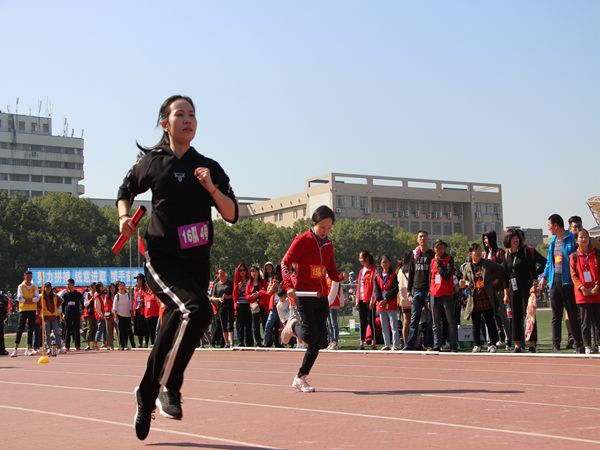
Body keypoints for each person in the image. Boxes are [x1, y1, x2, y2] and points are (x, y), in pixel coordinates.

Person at [116, 94, 238, 440]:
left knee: (171, 330)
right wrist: (124, 217)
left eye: (192, 115)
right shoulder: (153, 163)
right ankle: (170, 384)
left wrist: (211, 189)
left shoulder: (208, 166)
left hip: (197, 261)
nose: (188, 120)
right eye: (180, 114)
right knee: (198, 310)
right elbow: (124, 191)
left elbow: (231, 214)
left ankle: (146, 393)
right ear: (165, 123)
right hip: (163, 259)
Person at [280, 205, 347, 392]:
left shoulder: (328, 245)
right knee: (310, 336)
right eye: (322, 227)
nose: (325, 231)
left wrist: (339, 276)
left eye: (329, 228)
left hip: (321, 296)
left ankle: (300, 377)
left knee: (320, 341)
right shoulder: (302, 240)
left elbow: (331, 270)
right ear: (314, 223)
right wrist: (289, 286)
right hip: (304, 295)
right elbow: (284, 263)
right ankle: (293, 325)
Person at [539, 214, 584, 353]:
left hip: (568, 281)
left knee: (573, 314)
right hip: (555, 281)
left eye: (549, 225)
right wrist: (544, 277)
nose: (548, 228)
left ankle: (579, 344)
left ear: (556, 226)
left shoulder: (572, 238)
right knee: (556, 315)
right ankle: (556, 344)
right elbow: (549, 261)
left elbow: (578, 258)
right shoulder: (553, 240)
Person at [502, 228, 546, 352]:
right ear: (508, 240)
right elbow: (505, 275)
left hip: (527, 287)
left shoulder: (526, 252)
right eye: (513, 238)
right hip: (513, 288)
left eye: (517, 237)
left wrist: (535, 278)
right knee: (515, 317)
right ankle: (517, 345)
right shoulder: (506, 255)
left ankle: (532, 344)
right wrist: (506, 293)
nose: (515, 240)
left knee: (529, 314)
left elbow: (543, 263)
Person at [460, 243, 503, 352]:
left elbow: (501, 269)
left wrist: (495, 282)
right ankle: (477, 345)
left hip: (487, 298)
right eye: (476, 251)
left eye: (480, 250)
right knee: (476, 323)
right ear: (470, 253)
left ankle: (492, 344)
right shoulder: (467, 267)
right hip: (474, 299)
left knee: (490, 321)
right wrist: (463, 284)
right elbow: (464, 281)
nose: (479, 253)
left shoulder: (487, 263)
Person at [403, 230, 435, 351]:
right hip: (416, 291)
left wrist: (431, 291)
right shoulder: (414, 255)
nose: (422, 238)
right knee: (414, 320)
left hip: (428, 291)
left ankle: (428, 344)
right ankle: (410, 344)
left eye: (424, 236)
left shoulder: (432, 254)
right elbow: (411, 273)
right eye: (420, 237)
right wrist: (409, 290)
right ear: (417, 239)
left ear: (427, 238)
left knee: (430, 319)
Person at [569, 229, 600, 354]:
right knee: (585, 321)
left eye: (586, 237)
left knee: (598, 321)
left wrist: (597, 286)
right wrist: (582, 288)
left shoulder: (596, 254)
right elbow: (573, 275)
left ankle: (598, 344)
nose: (584, 239)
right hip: (582, 294)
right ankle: (587, 345)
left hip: (596, 292)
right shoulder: (574, 257)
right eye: (581, 237)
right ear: (576, 240)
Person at [482, 230, 511, 350]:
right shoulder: (484, 254)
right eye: (484, 238)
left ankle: (509, 340)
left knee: (503, 315)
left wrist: (504, 290)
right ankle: (494, 340)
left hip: (499, 289)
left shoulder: (500, 253)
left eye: (487, 238)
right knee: (489, 316)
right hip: (487, 291)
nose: (485, 241)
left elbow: (503, 272)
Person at [429, 240, 457, 352]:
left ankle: (453, 345)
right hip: (434, 294)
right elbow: (430, 278)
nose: (440, 250)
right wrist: (429, 294)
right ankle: (437, 344)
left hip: (446, 294)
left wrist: (439, 263)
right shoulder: (432, 261)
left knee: (450, 321)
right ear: (434, 250)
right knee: (435, 322)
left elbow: (446, 275)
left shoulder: (449, 259)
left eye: (441, 247)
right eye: (437, 248)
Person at [11, 270, 40, 357]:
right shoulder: (21, 286)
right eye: (27, 276)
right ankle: (15, 349)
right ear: (24, 277)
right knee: (20, 328)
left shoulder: (34, 286)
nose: (29, 278)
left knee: (30, 328)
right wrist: (30, 300)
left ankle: (29, 349)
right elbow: (20, 298)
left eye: (30, 276)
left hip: (32, 309)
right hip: (23, 310)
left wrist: (28, 300)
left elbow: (37, 298)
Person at [374, 255, 400, 351]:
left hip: (390, 303)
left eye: (386, 262)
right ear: (380, 264)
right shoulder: (377, 277)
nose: (385, 264)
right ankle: (387, 344)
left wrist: (386, 299)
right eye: (383, 262)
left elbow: (395, 289)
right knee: (384, 326)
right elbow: (377, 290)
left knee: (393, 325)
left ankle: (395, 344)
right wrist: (380, 300)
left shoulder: (393, 275)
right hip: (381, 304)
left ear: (389, 263)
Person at [355, 250, 377, 350]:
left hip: (369, 299)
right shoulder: (361, 271)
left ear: (366, 258)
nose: (360, 260)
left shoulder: (373, 270)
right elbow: (359, 285)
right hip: (361, 298)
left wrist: (372, 299)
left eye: (361, 258)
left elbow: (374, 287)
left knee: (371, 321)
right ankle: (362, 342)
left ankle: (373, 342)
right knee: (362, 321)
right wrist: (357, 300)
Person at [210, 269, 234, 348]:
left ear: (225, 274)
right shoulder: (216, 285)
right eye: (220, 273)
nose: (222, 275)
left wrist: (228, 296)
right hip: (221, 307)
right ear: (218, 275)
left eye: (223, 273)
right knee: (223, 325)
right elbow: (212, 297)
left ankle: (231, 343)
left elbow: (235, 295)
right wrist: (219, 299)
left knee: (230, 324)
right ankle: (226, 343)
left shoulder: (230, 283)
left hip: (230, 306)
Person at [246, 265, 269, 347]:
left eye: (255, 271)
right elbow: (247, 296)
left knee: (265, 323)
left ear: (258, 272)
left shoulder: (263, 281)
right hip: (254, 305)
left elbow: (268, 292)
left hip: (263, 304)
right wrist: (252, 296)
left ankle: (266, 342)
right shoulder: (249, 283)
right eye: (252, 271)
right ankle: (258, 342)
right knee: (255, 324)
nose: (254, 273)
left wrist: (260, 293)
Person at [41, 282, 64, 354]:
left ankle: (59, 347)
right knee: (47, 333)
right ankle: (48, 348)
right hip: (46, 316)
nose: (48, 289)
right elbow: (38, 304)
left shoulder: (54, 296)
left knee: (57, 331)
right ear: (44, 288)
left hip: (54, 316)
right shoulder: (41, 296)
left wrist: (56, 307)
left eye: (49, 287)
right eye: (47, 287)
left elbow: (61, 300)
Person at [233, 263, 252, 346]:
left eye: (244, 270)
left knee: (248, 324)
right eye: (240, 270)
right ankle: (241, 342)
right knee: (240, 325)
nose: (242, 271)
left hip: (249, 305)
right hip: (240, 305)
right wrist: (238, 288)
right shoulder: (237, 281)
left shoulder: (249, 280)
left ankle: (249, 343)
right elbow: (234, 296)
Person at [61, 278, 83, 351]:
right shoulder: (65, 295)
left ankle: (77, 345)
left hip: (76, 314)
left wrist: (81, 311)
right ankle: (67, 346)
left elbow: (82, 303)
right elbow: (63, 305)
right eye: (67, 284)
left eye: (68, 284)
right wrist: (63, 313)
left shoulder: (78, 294)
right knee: (67, 330)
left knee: (76, 330)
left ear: (72, 284)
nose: (67, 285)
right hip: (68, 314)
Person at [396, 252, 412, 347]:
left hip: (403, 299)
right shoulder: (411, 270)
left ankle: (406, 343)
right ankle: (415, 342)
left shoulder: (399, 271)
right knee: (414, 322)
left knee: (405, 322)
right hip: (411, 297)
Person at [113, 281, 135, 350]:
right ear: (118, 287)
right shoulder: (117, 296)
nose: (122, 287)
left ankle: (125, 345)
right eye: (120, 286)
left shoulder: (128, 295)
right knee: (121, 331)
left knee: (126, 331)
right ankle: (122, 345)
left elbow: (130, 307)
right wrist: (116, 317)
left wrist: (132, 317)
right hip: (120, 315)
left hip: (127, 316)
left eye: (123, 286)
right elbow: (114, 308)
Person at [133, 274, 149, 348]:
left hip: (144, 310)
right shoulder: (136, 289)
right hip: (137, 310)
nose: (137, 281)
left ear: (142, 280)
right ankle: (140, 343)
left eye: (138, 279)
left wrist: (143, 300)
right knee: (139, 327)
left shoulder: (146, 288)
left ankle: (146, 342)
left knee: (146, 327)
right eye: (136, 279)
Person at [83, 282, 98, 351]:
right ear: (91, 288)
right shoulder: (88, 294)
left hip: (96, 314)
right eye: (93, 287)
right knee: (90, 329)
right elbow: (85, 304)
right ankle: (88, 345)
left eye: (96, 288)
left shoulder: (97, 294)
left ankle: (95, 345)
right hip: (89, 314)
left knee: (96, 329)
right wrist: (91, 300)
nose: (95, 289)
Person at [0, 290, 8, 355]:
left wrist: (5, 317)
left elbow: (5, 309)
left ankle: (2, 350)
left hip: (1, 317)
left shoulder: (3, 298)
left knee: (1, 334)